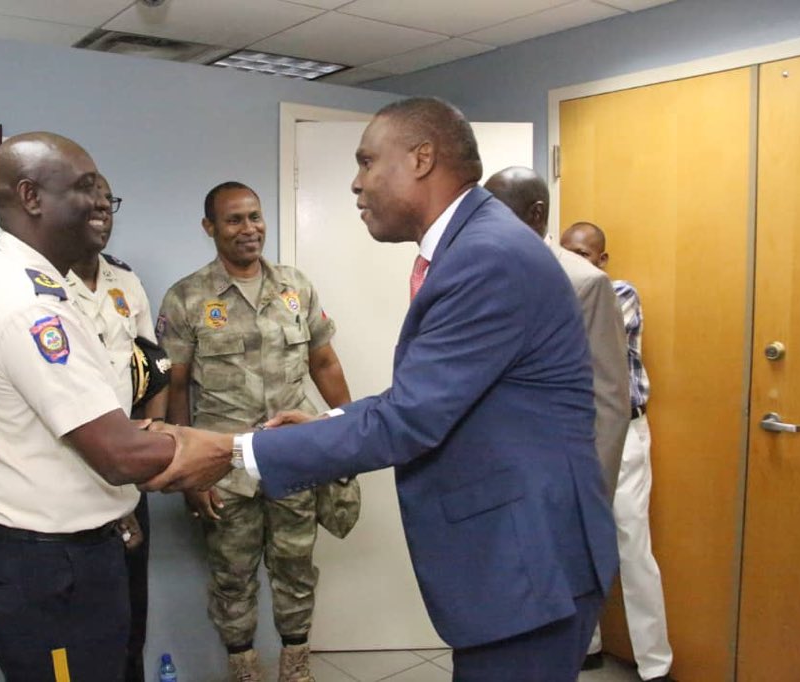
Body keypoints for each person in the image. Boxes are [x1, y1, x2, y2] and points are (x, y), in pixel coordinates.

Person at [143, 98, 619, 681]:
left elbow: (410, 419)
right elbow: (426, 400)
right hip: (516, 561)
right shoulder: (473, 246)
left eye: (367, 162)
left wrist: (231, 450)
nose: (355, 182)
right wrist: (329, 423)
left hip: (528, 562)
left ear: (421, 159)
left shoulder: (486, 256)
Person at [0, 132, 180, 681]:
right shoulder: (31, 305)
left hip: (77, 545)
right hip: (48, 566)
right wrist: (238, 449)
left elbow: (135, 383)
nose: (99, 202)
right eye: (84, 187)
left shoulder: (39, 284)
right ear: (31, 197)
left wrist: (119, 509)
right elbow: (116, 454)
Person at [157, 181, 351, 682]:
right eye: (234, 220)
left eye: (255, 217)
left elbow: (324, 362)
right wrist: (185, 470)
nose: (249, 229)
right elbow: (176, 388)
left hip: (293, 459)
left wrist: (351, 434)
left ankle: (296, 671)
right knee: (232, 577)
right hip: (224, 467)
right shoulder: (187, 297)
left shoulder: (295, 287)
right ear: (210, 228)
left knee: (296, 570)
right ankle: (244, 671)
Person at [66, 174, 170, 682]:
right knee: (79, 637)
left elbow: (154, 365)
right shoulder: (40, 288)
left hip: (126, 475)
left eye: (110, 202)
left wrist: (155, 429)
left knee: (130, 621)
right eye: (91, 202)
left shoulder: (125, 282)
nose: (102, 211)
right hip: (70, 480)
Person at [561, 221, 673, 682]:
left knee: (632, 547)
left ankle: (655, 665)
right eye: (567, 252)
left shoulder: (618, 292)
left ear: (602, 260)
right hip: (575, 436)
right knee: (577, 543)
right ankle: (587, 646)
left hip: (623, 435)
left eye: (583, 254)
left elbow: (575, 341)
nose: (574, 261)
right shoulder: (562, 292)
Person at [483, 167, 630, 499]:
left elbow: (607, 399)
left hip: (559, 477)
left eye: (497, 211)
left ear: (536, 214)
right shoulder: (483, 272)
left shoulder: (584, 282)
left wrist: (591, 500)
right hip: (496, 478)